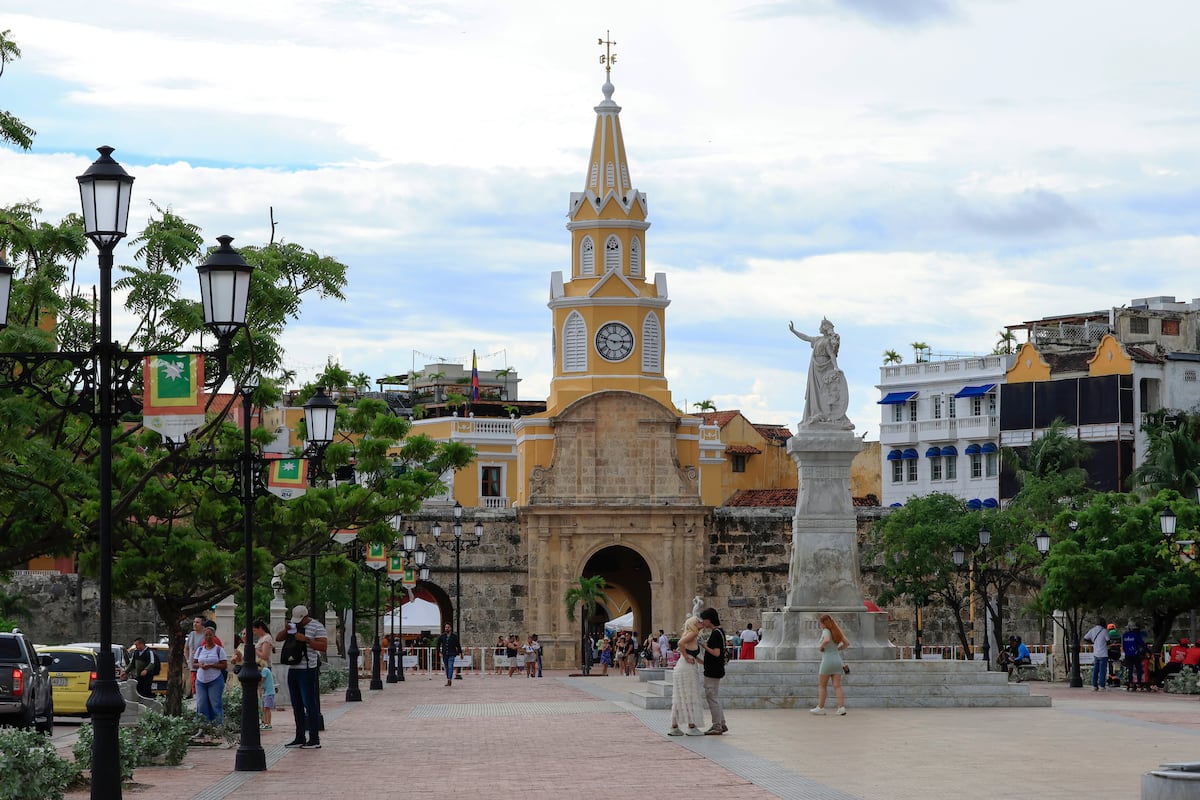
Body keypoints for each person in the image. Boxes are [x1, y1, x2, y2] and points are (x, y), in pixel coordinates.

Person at [276, 604, 328, 749]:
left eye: (301, 620)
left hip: (307, 670)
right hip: (293, 668)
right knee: (296, 705)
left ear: (306, 616)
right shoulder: (294, 625)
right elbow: (279, 638)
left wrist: (305, 640)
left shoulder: (317, 626)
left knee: (309, 704)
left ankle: (314, 738)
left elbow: (323, 646)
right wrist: (286, 630)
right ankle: (299, 737)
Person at [788, 318, 851, 428]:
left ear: (825, 328)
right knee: (815, 393)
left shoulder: (827, 341)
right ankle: (816, 413)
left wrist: (836, 367)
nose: (819, 327)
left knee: (825, 392)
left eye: (821, 326)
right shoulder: (817, 339)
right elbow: (805, 337)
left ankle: (828, 415)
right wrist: (794, 331)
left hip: (825, 367)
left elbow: (832, 355)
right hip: (815, 367)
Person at [666, 616, 706, 736]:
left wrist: (699, 661)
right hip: (686, 668)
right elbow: (680, 643)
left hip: (683, 666)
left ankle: (674, 726)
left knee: (680, 696)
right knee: (690, 695)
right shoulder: (693, 633)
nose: (700, 622)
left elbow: (688, 650)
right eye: (698, 621)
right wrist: (687, 657)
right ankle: (691, 725)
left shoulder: (689, 633)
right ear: (693, 624)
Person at [811, 613, 849, 716]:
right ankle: (841, 708)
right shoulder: (836, 631)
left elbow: (827, 640)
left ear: (823, 623)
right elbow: (846, 643)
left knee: (822, 685)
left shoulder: (826, 631)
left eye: (821, 623)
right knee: (837, 686)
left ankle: (821, 707)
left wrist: (821, 647)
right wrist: (837, 649)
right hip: (837, 660)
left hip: (827, 660)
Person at [697, 607, 727, 734]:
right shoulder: (720, 632)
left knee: (712, 698)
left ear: (709, 620)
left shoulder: (715, 634)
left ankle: (717, 726)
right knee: (714, 697)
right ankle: (722, 723)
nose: (703, 622)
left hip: (713, 671)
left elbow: (716, 653)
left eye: (704, 620)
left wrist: (704, 645)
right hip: (715, 669)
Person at [191, 626, 227, 724]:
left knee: (215, 704)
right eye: (206, 635)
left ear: (214, 636)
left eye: (210, 635)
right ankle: (202, 726)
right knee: (201, 704)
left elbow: (224, 665)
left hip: (215, 680)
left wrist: (212, 665)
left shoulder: (219, 650)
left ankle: (218, 726)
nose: (208, 637)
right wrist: (200, 665)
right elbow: (194, 663)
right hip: (201, 681)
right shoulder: (199, 650)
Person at [1122, 623, 1150, 691]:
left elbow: (1124, 646)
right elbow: (1142, 644)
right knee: (1138, 669)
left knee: (1130, 669)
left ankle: (1130, 683)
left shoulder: (1124, 635)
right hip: (1135, 654)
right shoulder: (1135, 635)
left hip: (1128, 654)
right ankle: (1139, 683)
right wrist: (1148, 651)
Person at [185, 616, 206, 699]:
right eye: (194, 622)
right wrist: (187, 660)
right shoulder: (191, 634)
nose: (195, 624)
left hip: (202, 666)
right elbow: (186, 648)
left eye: (197, 622)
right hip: (192, 666)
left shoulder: (205, 634)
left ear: (202, 624)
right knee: (194, 686)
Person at [1085, 622, 1110, 691]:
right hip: (1103, 653)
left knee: (1095, 670)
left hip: (1096, 653)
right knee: (1102, 671)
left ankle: (1094, 685)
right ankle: (1102, 686)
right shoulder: (1104, 631)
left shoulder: (1093, 630)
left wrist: (1093, 642)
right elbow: (1108, 641)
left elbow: (1085, 638)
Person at [258, 657, 275, 730]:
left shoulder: (264, 670)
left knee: (266, 708)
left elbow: (261, 681)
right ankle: (265, 722)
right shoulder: (264, 670)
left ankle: (268, 723)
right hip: (266, 692)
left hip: (269, 692)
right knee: (264, 709)